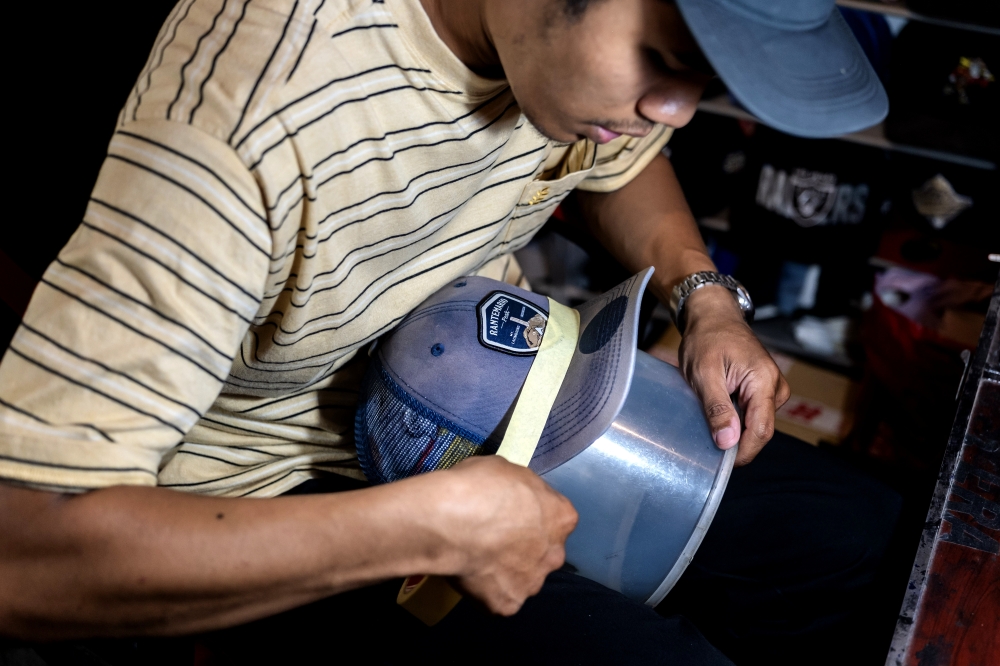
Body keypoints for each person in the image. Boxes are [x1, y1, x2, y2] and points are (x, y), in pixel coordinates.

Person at [0, 0, 900, 663]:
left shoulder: (561, 57)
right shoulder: (246, 131)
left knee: (866, 548)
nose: (674, 112)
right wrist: (424, 532)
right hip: (282, 500)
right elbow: (24, 556)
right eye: (664, 61)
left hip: (499, 384)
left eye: (701, 82)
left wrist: (701, 296)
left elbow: (616, 163)